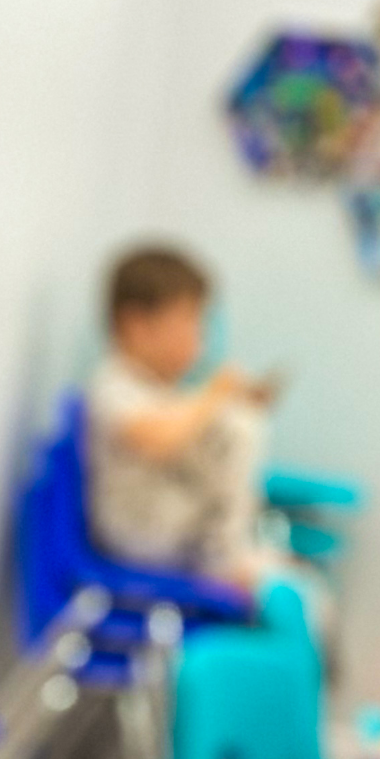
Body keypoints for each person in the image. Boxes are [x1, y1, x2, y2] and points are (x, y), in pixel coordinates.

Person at [87, 245, 279, 590]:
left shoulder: (157, 390)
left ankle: (234, 553)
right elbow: (158, 440)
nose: (198, 340)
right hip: (140, 534)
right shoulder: (113, 385)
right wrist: (213, 394)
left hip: (169, 526)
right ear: (136, 325)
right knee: (240, 430)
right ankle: (226, 558)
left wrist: (227, 403)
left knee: (238, 425)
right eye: (189, 322)